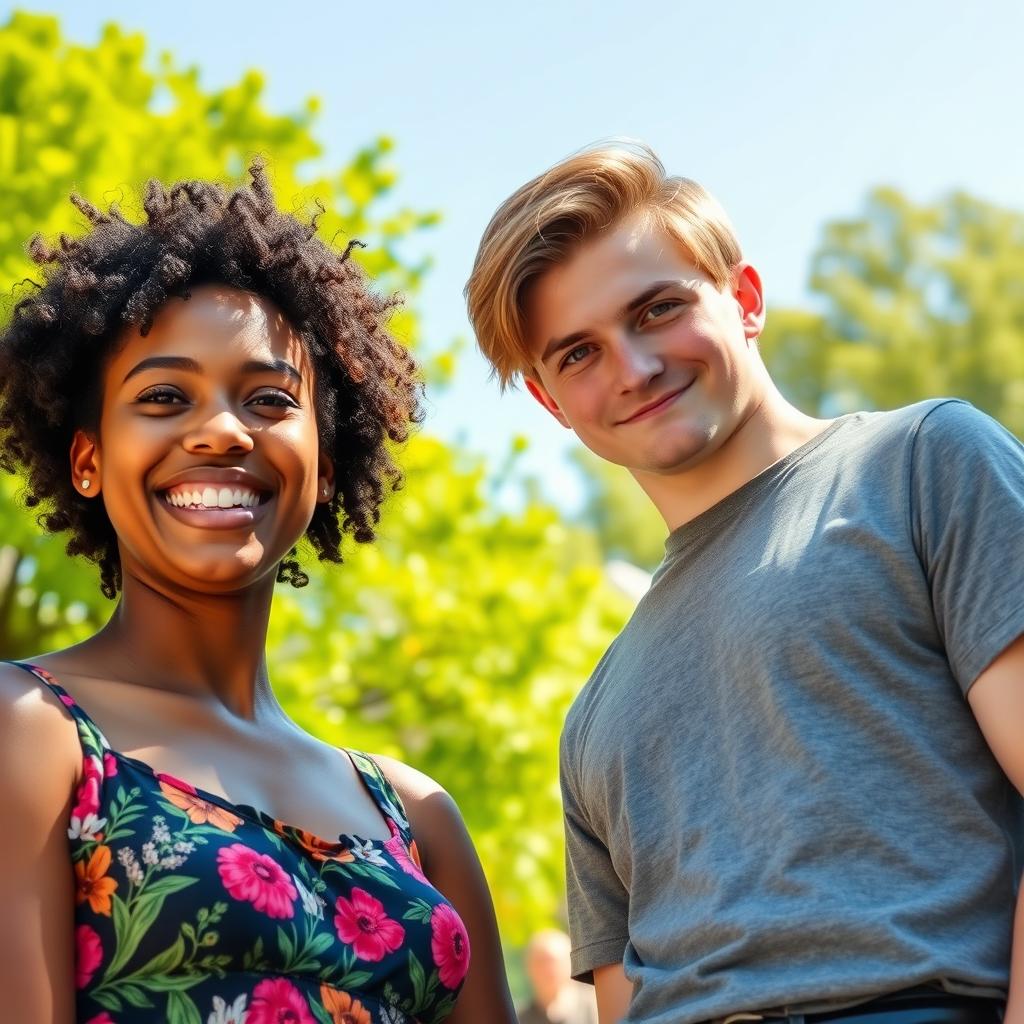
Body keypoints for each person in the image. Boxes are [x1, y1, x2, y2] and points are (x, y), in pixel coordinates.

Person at [465, 142, 1024, 1024]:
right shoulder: (594, 718)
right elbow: (622, 1001)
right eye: (578, 354)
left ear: (746, 298)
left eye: (657, 309)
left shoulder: (921, 466)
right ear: (549, 401)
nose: (633, 367)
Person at [0, 164, 517, 1023]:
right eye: (164, 396)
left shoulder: (419, 814)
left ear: (324, 452)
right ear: (87, 460)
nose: (223, 430)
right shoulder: (31, 732)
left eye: (270, 399)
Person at [518, 929, 597, 1024]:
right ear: (529, 968)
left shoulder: (596, 1008)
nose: (547, 969)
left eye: (552, 961)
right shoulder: (519, 1018)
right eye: (540, 962)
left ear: (570, 964)